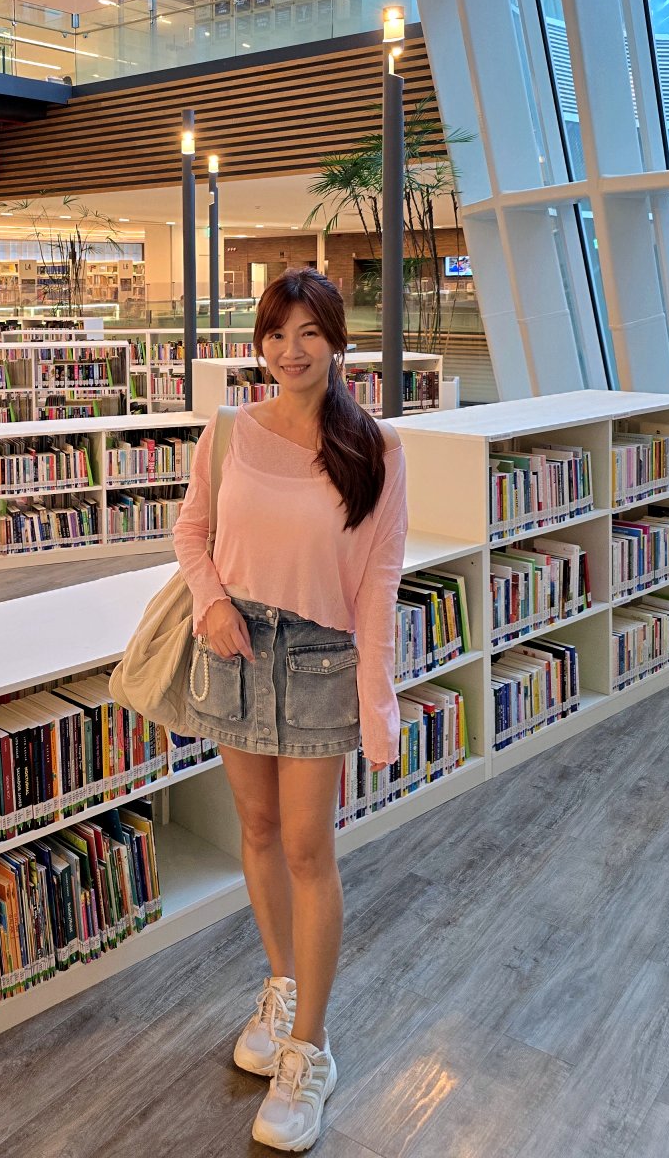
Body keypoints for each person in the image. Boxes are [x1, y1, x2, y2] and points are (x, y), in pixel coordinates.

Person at [172, 267, 407, 1153]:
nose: (290, 351)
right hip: (234, 648)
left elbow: (379, 588)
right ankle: (279, 987)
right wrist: (211, 603)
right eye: (276, 334)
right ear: (260, 343)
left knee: (311, 850)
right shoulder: (229, 429)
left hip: (317, 660)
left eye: (308, 333)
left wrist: (374, 706)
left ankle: (310, 1047)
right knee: (258, 830)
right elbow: (193, 532)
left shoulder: (374, 453)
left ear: (337, 341)